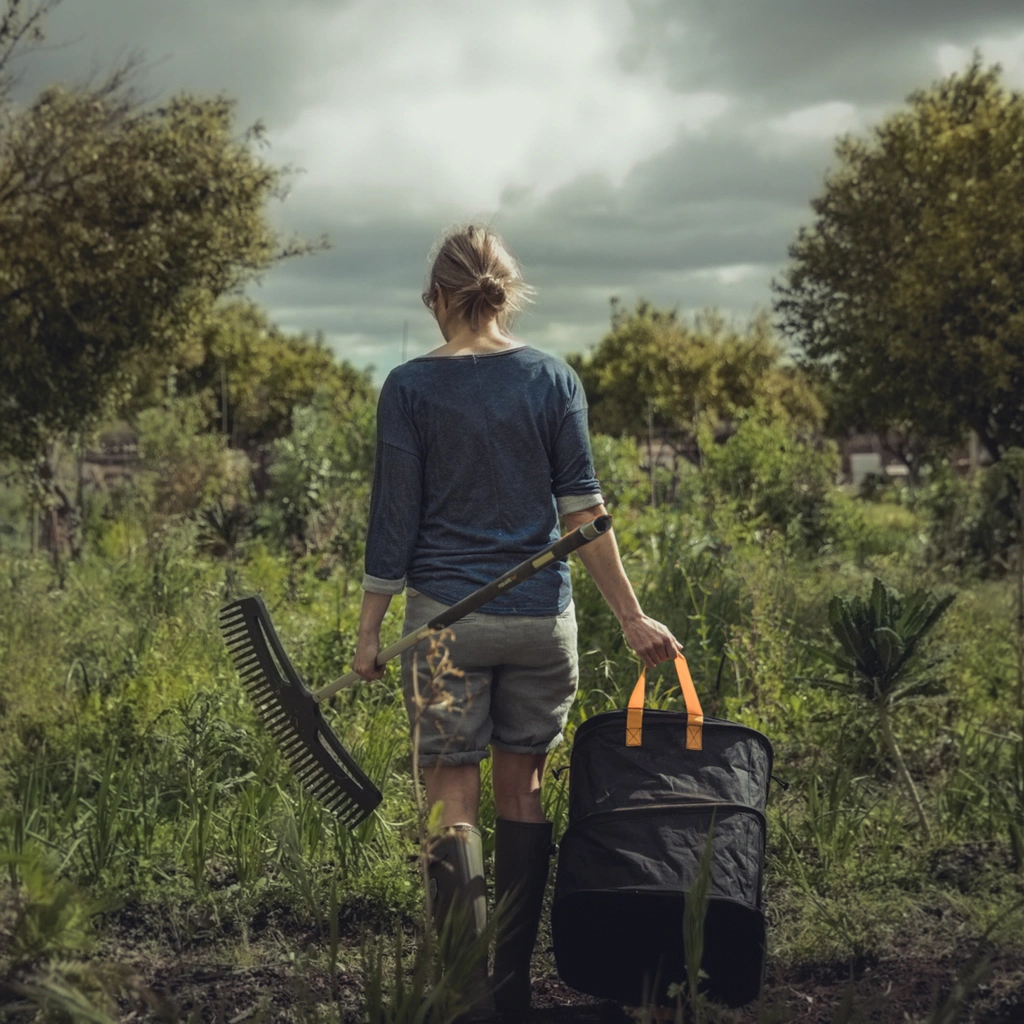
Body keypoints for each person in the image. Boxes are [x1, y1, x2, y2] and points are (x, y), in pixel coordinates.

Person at [353, 224, 681, 1024]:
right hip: (543, 623)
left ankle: (465, 1002)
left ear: (437, 298)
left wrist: (368, 631)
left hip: (444, 629)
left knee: (448, 803)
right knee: (522, 793)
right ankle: (512, 992)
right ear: (506, 291)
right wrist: (632, 617)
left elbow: (393, 523)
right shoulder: (552, 377)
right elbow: (584, 511)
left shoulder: (408, 387)